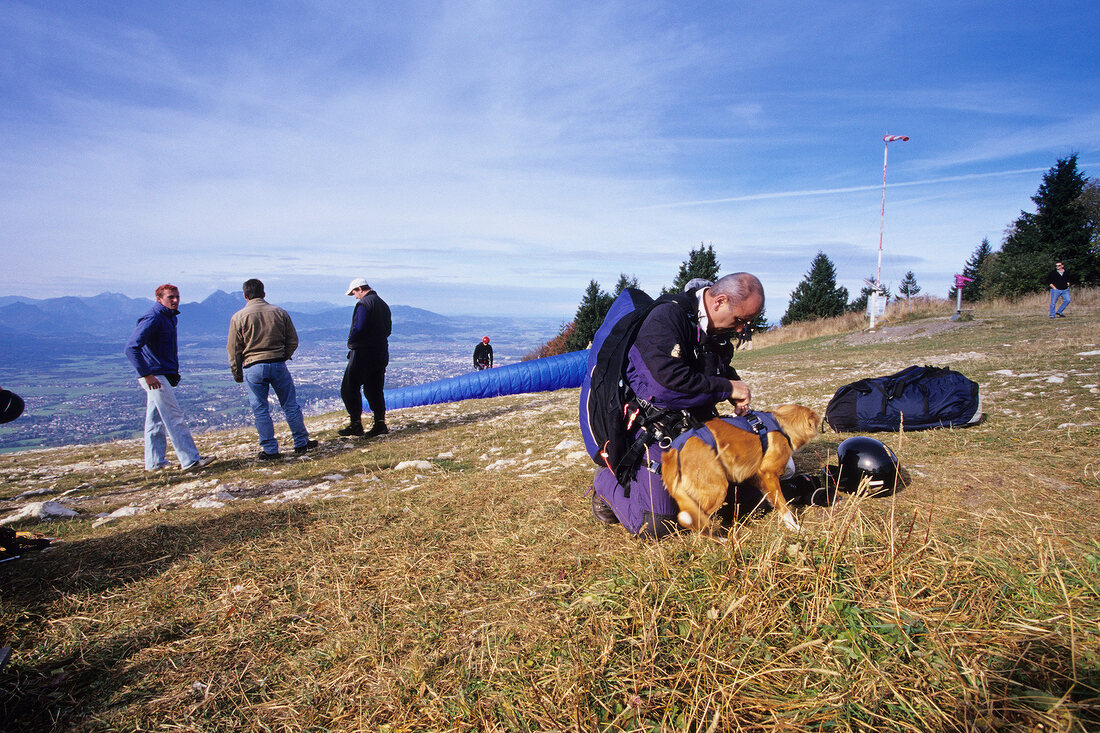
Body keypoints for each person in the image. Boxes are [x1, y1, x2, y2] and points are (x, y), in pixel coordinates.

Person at [589, 273, 760, 538]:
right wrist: (726, 387)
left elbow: (714, 366)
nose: (740, 329)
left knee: (744, 497)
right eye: (739, 320)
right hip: (655, 431)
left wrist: (733, 385)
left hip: (695, 428)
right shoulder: (667, 318)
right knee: (656, 525)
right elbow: (665, 385)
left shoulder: (715, 331)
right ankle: (605, 483)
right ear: (720, 302)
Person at [124, 284, 214, 472]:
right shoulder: (153, 318)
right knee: (174, 417)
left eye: (177, 297)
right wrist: (146, 374)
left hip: (159, 374)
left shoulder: (168, 318)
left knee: (154, 420)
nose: (175, 300)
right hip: (154, 376)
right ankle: (190, 460)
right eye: (170, 297)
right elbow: (131, 347)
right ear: (159, 298)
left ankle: (154, 462)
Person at [227, 279, 317, 460]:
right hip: (277, 363)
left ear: (245, 295)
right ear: (264, 293)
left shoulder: (238, 317)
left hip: (253, 366)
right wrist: (283, 355)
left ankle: (270, 449)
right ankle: (301, 442)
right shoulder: (279, 312)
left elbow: (233, 348)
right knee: (290, 404)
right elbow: (293, 340)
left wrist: (237, 372)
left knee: (260, 409)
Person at [338, 278, 392, 438]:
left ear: (360, 289)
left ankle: (356, 424)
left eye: (354, 293)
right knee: (374, 389)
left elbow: (359, 327)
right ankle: (380, 423)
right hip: (380, 352)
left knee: (349, 388)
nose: (355, 297)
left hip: (362, 353)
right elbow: (388, 329)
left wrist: (352, 342)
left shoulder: (364, 304)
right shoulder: (383, 304)